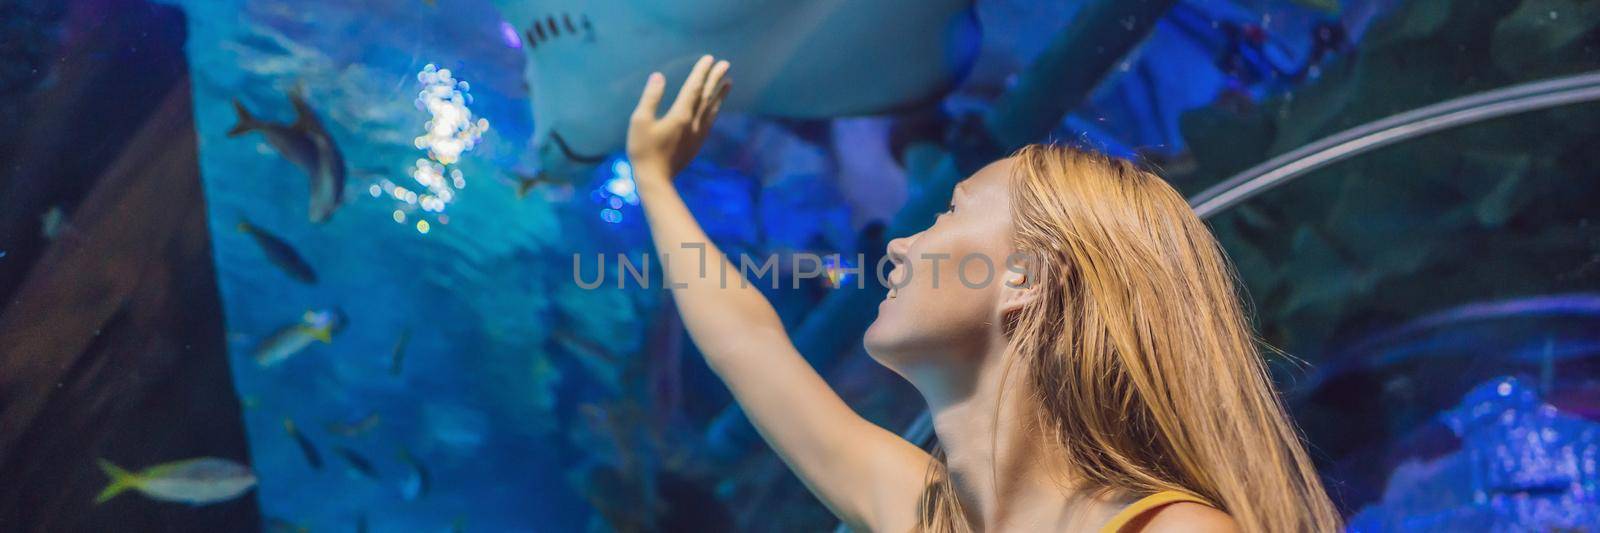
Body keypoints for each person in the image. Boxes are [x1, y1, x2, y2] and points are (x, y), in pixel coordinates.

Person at [626, 55, 1342, 532]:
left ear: (1026, 278)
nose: (900, 242)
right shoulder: (928, 513)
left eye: (950, 210)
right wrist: (654, 179)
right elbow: (746, 341)